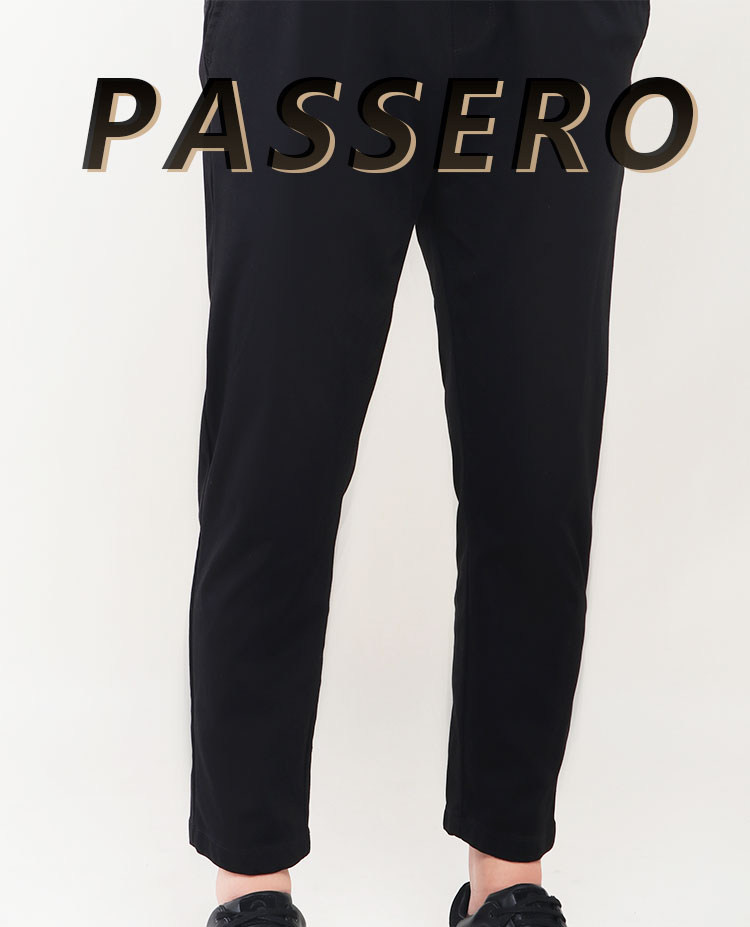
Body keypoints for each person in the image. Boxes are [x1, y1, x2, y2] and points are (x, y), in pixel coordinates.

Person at [187, 2, 650, 925]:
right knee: (274, 461)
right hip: (311, 33)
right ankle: (251, 887)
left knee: (538, 462)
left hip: (545, 31)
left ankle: (508, 876)